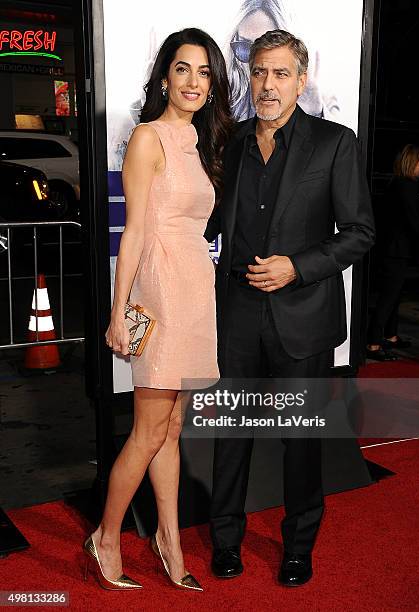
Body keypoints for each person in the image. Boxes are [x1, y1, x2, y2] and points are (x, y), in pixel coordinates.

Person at [205, 29, 374, 586]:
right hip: (237, 316)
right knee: (232, 435)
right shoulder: (231, 144)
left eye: (280, 74)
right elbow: (210, 225)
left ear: (302, 81)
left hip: (301, 317)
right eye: (259, 73)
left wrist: (296, 266)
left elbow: (358, 233)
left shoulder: (334, 142)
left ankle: (298, 545)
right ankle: (224, 540)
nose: (267, 85)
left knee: (300, 441)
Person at [83, 28, 232, 591]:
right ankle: (106, 536)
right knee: (148, 431)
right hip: (162, 291)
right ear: (164, 76)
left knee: (173, 429)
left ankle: (169, 541)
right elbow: (136, 231)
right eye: (182, 69)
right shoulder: (148, 138)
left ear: (213, 84)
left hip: (197, 288)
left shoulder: (199, 141)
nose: (193, 82)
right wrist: (118, 311)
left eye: (204, 72)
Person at [226, 0, 340, 121]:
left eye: (267, 48)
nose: (253, 62)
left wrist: (313, 113)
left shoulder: (321, 99)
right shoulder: (223, 93)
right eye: (244, 47)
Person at [366, 144, 419, 361]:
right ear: (414, 162)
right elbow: (414, 223)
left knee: (394, 295)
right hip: (396, 251)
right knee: (389, 297)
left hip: (389, 248)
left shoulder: (395, 184)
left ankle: (390, 336)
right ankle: (373, 343)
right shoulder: (408, 187)